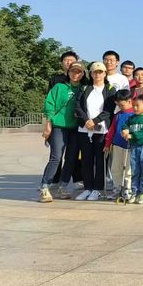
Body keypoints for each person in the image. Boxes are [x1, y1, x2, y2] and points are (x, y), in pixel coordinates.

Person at [39, 61, 85, 202]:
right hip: (58, 126)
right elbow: (49, 104)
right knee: (56, 157)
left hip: (76, 128)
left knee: (71, 158)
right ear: (68, 72)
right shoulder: (59, 87)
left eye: (78, 72)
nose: (75, 74)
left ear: (83, 74)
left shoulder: (84, 89)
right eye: (73, 71)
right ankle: (44, 187)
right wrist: (48, 124)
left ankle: (62, 186)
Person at [73, 62, 116, 201]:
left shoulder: (110, 89)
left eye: (100, 72)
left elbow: (109, 110)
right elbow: (77, 106)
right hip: (84, 129)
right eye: (94, 72)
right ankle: (88, 188)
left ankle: (97, 189)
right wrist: (87, 120)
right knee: (86, 160)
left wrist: (95, 121)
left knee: (100, 160)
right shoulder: (85, 88)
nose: (97, 74)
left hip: (101, 130)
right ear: (90, 74)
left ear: (105, 74)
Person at [122, 95, 143, 204]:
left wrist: (132, 136)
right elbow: (125, 125)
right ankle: (134, 191)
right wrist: (125, 130)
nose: (135, 108)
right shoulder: (131, 118)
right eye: (134, 105)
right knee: (135, 170)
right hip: (134, 147)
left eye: (137, 105)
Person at [103, 90, 135, 201]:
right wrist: (107, 144)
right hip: (117, 145)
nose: (120, 107)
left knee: (128, 169)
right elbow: (111, 130)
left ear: (129, 101)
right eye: (118, 105)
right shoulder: (118, 115)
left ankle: (127, 189)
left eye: (122, 105)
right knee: (115, 168)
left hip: (129, 146)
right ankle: (117, 188)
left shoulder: (135, 114)